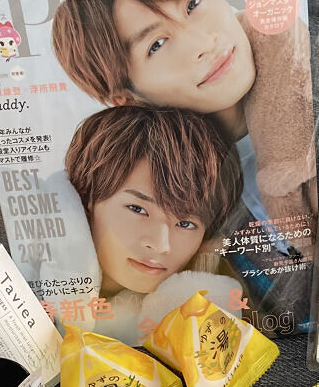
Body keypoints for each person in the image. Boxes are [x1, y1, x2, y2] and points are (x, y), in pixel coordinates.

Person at [51, 0, 316, 323]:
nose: (202, 44)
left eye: (193, 4)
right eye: (157, 45)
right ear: (128, 99)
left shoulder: (318, 91)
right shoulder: (156, 185)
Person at [64, 104, 244, 341]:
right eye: (138, 209)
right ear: (88, 197)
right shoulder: (34, 278)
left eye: (186, 223)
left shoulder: (217, 295)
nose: (160, 244)